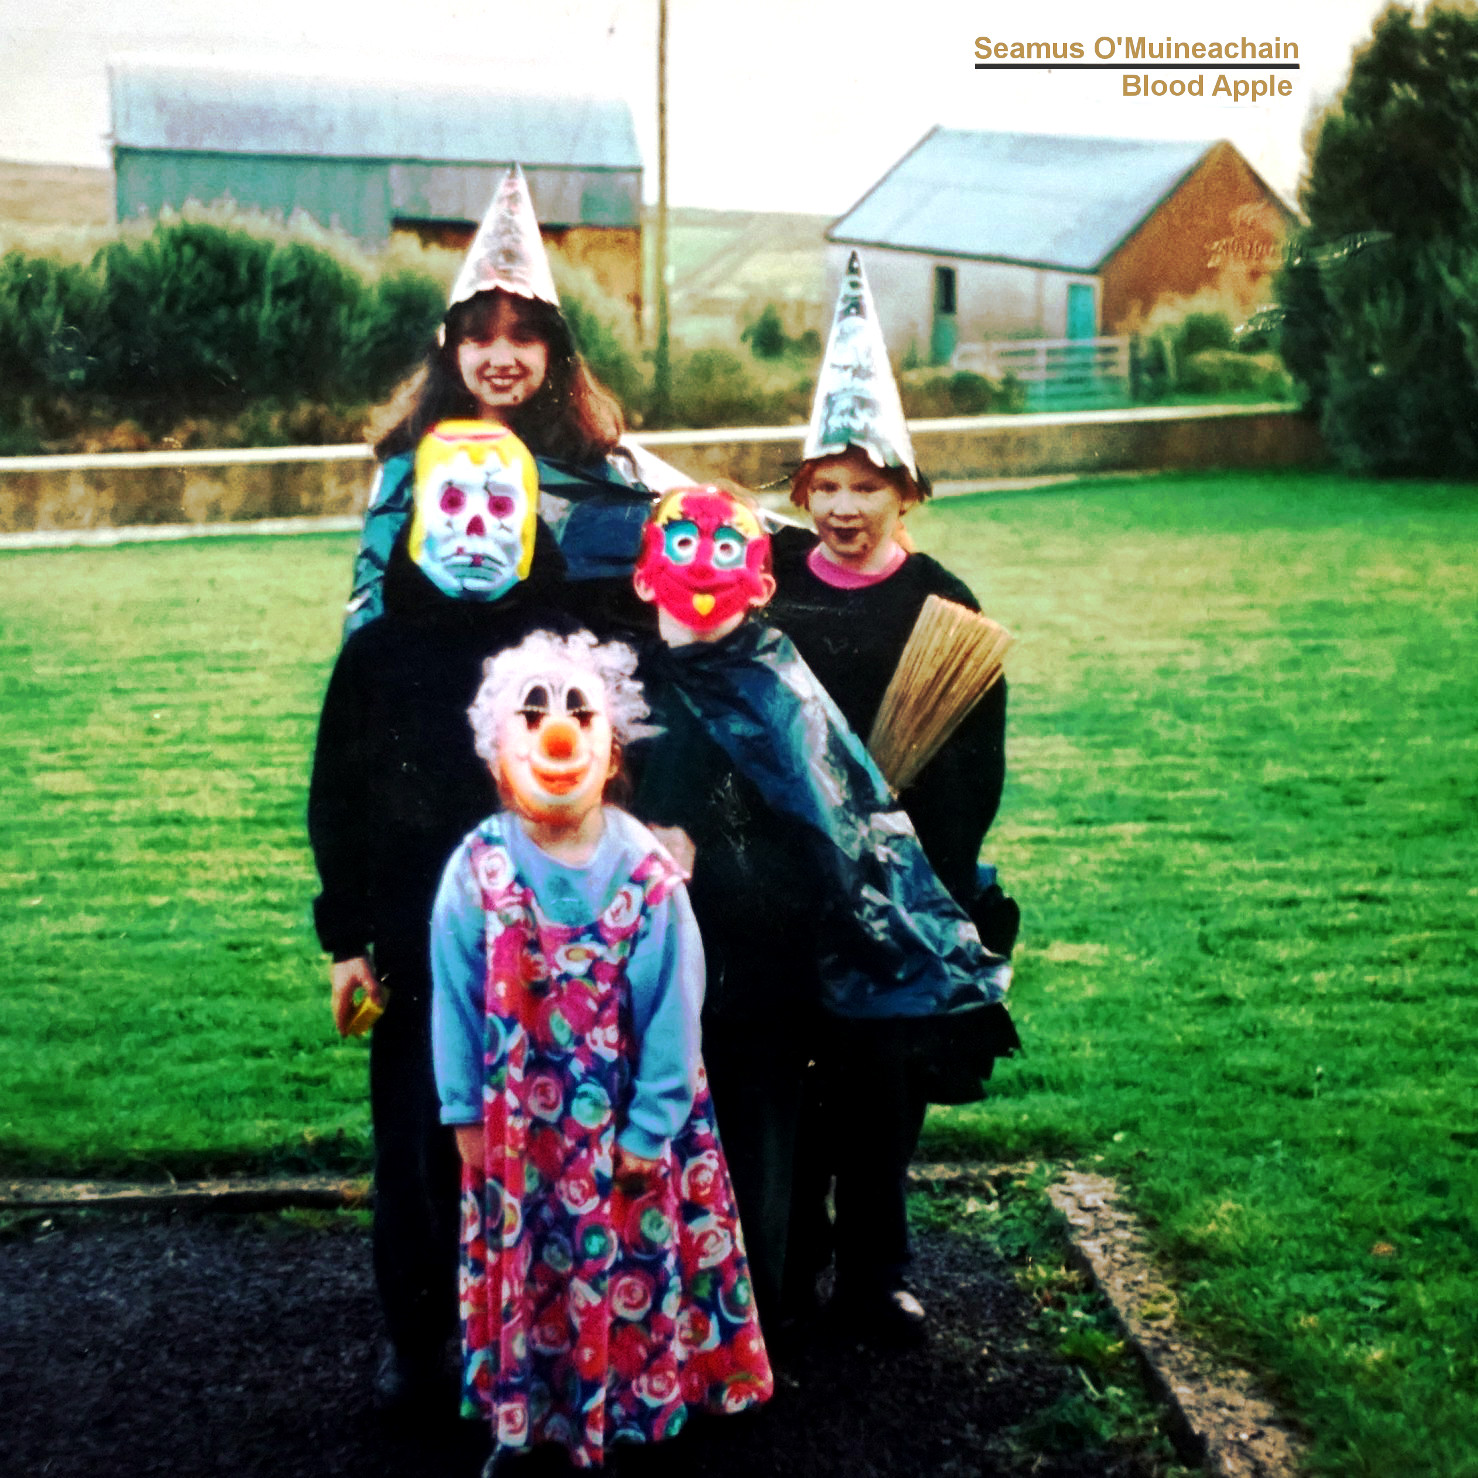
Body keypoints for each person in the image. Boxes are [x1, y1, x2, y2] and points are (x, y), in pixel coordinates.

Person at [625, 482, 1014, 1340]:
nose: (703, 571)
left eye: (865, 485)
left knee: (794, 1128)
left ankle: (786, 1306)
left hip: (767, 966)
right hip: (659, 969)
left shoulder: (786, 684)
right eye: (827, 486)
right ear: (646, 577)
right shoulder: (625, 684)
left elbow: (818, 818)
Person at [430, 631, 772, 1471]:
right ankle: (534, 1414)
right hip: (522, 1133)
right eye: (533, 715)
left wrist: (652, 1126)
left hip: (628, 1128)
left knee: (631, 1262)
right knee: (536, 1266)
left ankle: (631, 1408)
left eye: (580, 714)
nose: (558, 732)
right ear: (498, 756)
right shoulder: (477, 868)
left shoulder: (645, 871)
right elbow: (454, 995)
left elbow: (674, 1008)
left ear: (611, 748)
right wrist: (463, 1110)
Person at [767, 251, 1020, 1343]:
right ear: (800, 493)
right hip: (783, 886)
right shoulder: (767, 585)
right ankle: (789, 1261)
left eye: (865, 486)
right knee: (789, 1087)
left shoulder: (942, 607)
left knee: (880, 1092)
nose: (842, 506)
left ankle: (876, 1271)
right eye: (823, 485)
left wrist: (905, 860)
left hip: (897, 895)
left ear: (906, 491)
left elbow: (972, 772)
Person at [308, 422, 577, 1411]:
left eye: (497, 504)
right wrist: (345, 940)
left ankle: (541, 1328)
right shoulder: (379, 652)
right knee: (419, 1147)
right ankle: (418, 1338)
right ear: (417, 518)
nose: (473, 526)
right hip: (417, 944)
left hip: (551, 944)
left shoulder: (564, 649)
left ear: (531, 520)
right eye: (451, 503)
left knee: (546, 1135)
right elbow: (337, 797)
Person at [346, 164, 688, 642]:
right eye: (480, 339)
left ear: (553, 352)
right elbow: (372, 604)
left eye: (524, 338)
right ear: (451, 351)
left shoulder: (600, 468)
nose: (502, 359)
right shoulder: (408, 467)